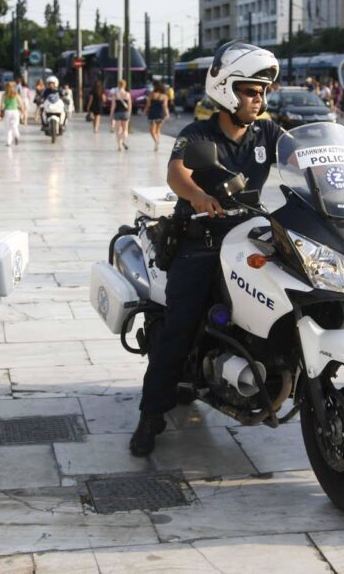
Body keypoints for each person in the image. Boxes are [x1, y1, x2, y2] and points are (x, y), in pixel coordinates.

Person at [129, 41, 282, 457]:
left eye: (263, 92)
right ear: (229, 90)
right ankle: (149, 416)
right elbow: (177, 172)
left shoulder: (267, 131)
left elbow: (302, 154)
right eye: (252, 91)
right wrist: (197, 196)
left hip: (249, 237)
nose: (260, 99)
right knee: (179, 329)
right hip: (203, 240)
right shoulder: (199, 134)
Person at [144, 80, 170, 151]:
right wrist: (167, 115)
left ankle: (156, 141)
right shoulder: (164, 96)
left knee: (152, 130)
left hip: (152, 114)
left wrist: (145, 111)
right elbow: (165, 106)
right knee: (158, 131)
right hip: (161, 114)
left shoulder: (152, 94)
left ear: (155, 86)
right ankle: (156, 145)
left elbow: (148, 104)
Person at [110, 79, 132, 151]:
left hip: (117, 113)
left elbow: (113, 105)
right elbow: (129, 106)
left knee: (118, 130)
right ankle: (122, 140)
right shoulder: (127, 94)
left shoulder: (115, 94)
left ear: (118, 85)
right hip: (125, 113)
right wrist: (129, 113)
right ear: (125, 85)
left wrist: (111, 115)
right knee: (125, 130)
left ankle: (119, 145)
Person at [0, 80, 22, 146]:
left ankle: (9, 142)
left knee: (8, 127)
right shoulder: (16, 93)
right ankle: (17, 135)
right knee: (14, 125)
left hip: (7, 111)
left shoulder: (4, 94)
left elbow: (2, 104)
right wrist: (22, 110)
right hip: (15, 111)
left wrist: (0, 111)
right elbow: (20, 103)